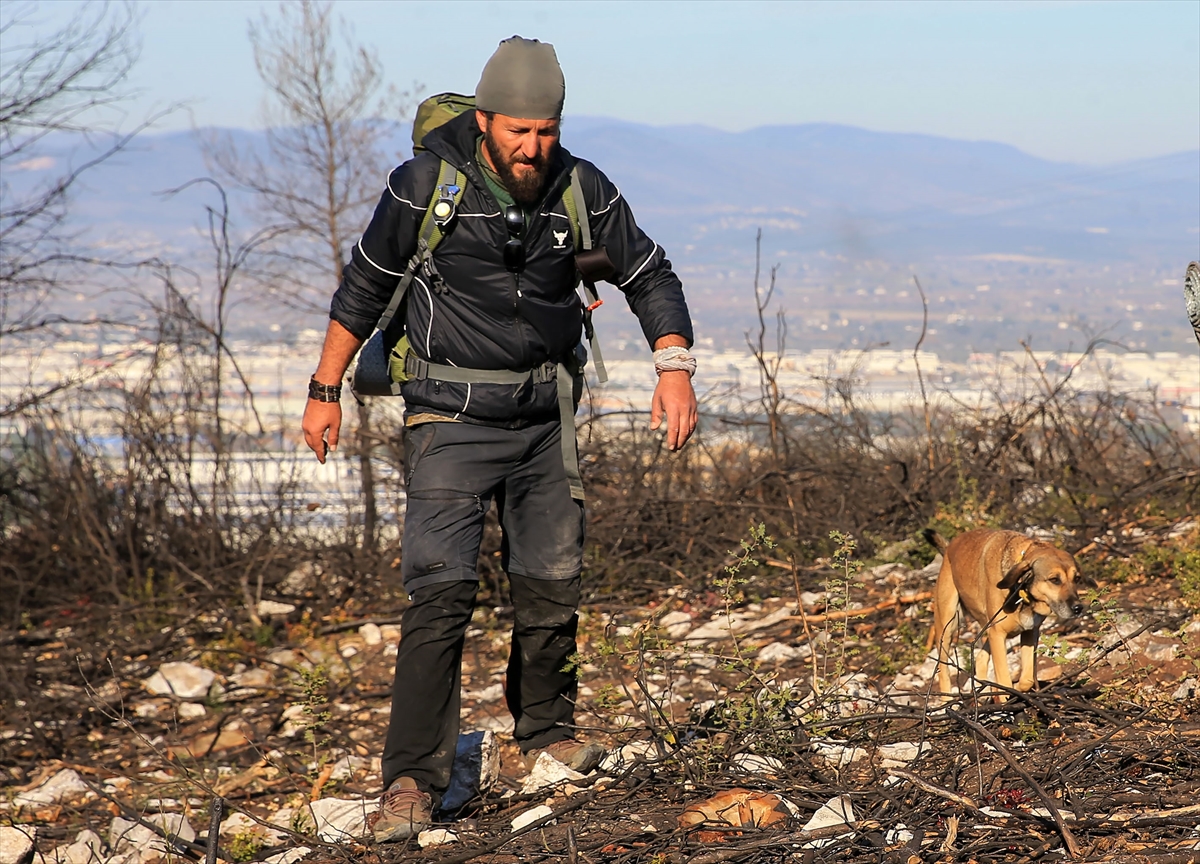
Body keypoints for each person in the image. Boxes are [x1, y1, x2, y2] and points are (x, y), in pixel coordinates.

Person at [301, 36, 698, 842]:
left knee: (551, 579)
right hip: (448, 416)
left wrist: (675, 366)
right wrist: (323, 389)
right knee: (440, 589)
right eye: (518, 131)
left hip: (544, 415)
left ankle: (546, 735)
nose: (532, 147)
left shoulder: (582, 188)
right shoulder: (423, 187)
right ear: (485, 121)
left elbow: (648, 272)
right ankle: (412, 779)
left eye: (545, 131)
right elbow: (364, 285)